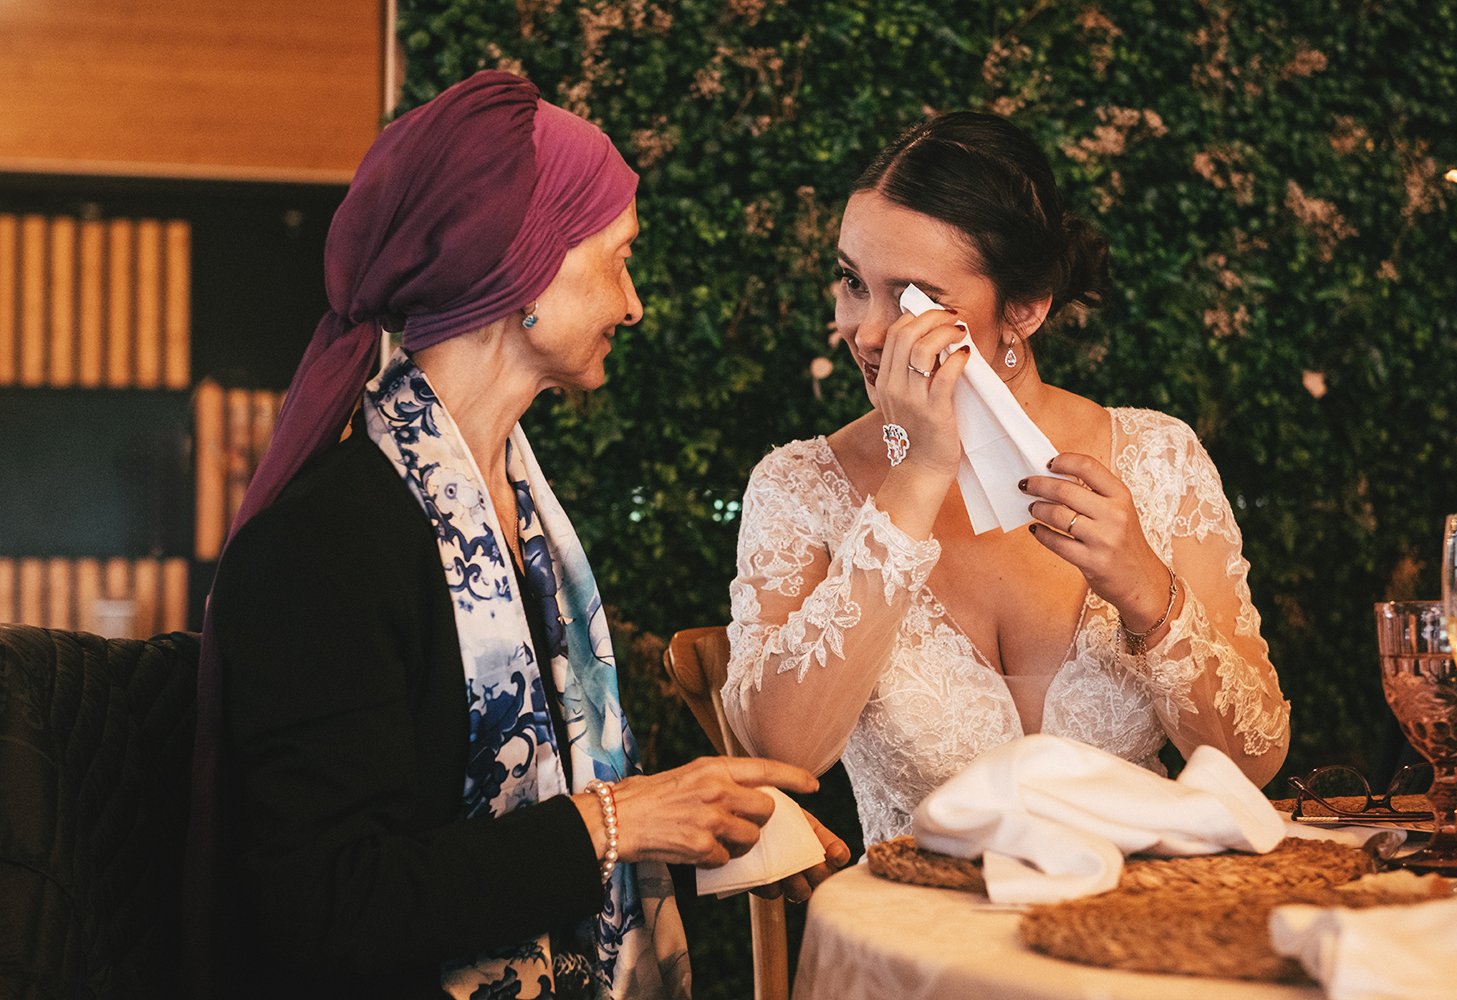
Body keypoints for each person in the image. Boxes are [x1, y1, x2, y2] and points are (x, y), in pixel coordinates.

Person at [185, 71, 845, 1000]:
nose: (634, 304)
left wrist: (718, 819)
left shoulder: (521, 520)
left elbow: (523, 816)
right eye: (619, 259)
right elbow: (330, 909)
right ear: (523, 268)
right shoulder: (321, 548)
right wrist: (620, 821)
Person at [721, 111, 1291, 847]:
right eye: (851, 282)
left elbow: (1255, 761)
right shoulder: (800, 486)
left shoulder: (1160, 458)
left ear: (1023, 308)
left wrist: (1146, 590)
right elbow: (783, 753)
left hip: (1143, 929)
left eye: (914, 299)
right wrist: (916, 475)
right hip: (921, 938)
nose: (865, 330)